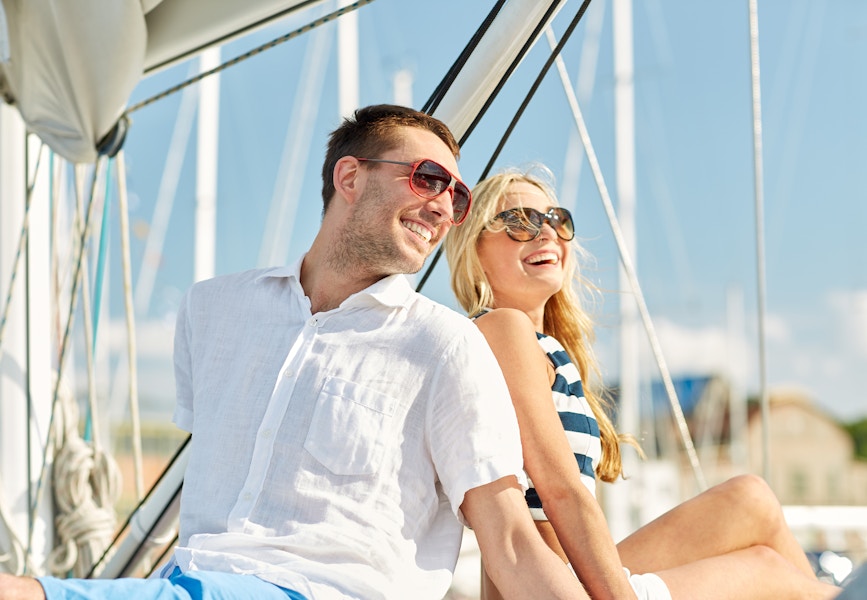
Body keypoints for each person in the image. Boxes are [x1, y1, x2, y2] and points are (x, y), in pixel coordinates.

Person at [0, 107, 588, 600]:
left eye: (456, 196)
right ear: (350, 177)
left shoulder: (447, 346)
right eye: (427, 179)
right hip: (193, 583)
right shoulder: (212, 311)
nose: (443, 208)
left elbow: (510, 542)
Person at [444, 164, 842, 600]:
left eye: (557, 220)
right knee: (768, 569)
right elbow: (561, 493)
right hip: (551, 588)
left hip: (576, 578)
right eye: (520, 222)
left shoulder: (544, 346)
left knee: (751, 499)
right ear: (473, 247)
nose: (546, 234)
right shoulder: (502, 329)